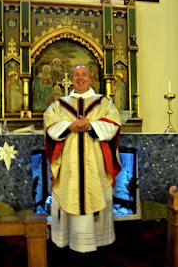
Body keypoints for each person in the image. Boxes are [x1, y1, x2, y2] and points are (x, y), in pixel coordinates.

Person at [44, 64, 122, 253]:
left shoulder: (103, 103)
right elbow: (49, 122)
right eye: (76, 74)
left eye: (84, 75)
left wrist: (90, 126)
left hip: (95, 165)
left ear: (90, 79)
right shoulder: (59, 104)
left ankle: (98, 242)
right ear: (71, 79)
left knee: (94, 194)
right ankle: (67, 242)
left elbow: (113, 124)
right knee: (69, 194)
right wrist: (69, 126)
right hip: (69, 165)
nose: (80, 78)